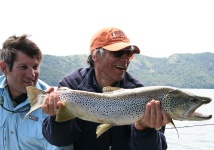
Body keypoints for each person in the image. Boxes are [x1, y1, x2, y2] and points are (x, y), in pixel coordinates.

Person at [42, 27, 171, 150]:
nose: (125, 58)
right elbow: (59, 140)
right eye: (118, 53)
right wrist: (58, 118)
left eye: (129, 53)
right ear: (95, 55)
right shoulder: (71, 85)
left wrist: (145, 129)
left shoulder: (142, 94)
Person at [0, 35, 73, 150]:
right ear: (4, 68)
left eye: (35, 67)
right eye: (23, 67)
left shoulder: (53, 104)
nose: (32, 75)